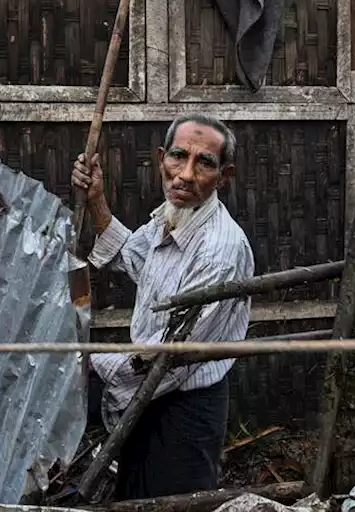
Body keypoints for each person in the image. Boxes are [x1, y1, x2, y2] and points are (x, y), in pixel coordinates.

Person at [71, 112, 254, 501]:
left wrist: (92, 365)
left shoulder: (220, 250)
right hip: (150, 393)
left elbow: (169, 354)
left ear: (224, 175)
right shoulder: (171, 216)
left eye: (204, 162)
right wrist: (97, 200)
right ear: (161, 159)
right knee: (134, 493)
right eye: (178, 156)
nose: (185, 174)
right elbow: (135, 258)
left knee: (173, 501)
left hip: (185, 404)